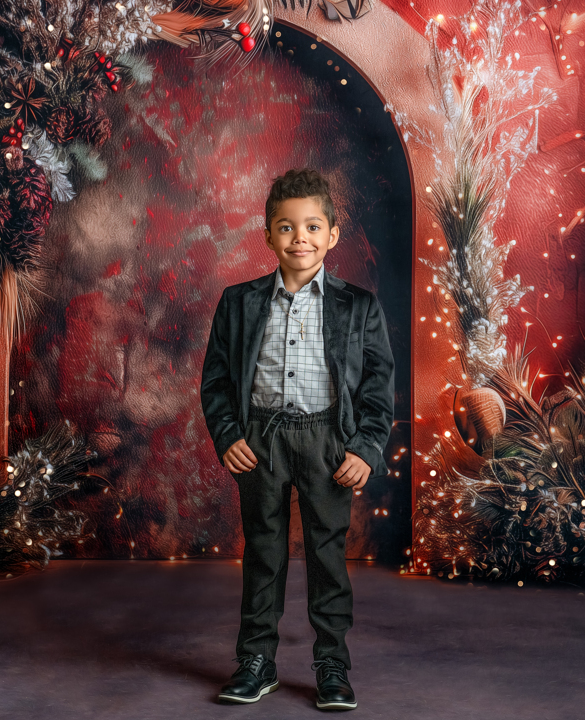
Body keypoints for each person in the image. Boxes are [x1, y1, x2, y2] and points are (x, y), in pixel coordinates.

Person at [200, 167, 394, 711]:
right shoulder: (238, 303)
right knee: (263, 553)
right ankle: (256, 661)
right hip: (260, 440)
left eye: (312, 227)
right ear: (267, 235)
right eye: (286, 228)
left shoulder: (359, 307)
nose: (299, 238)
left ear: (332, 234)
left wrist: (365, 447)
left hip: (328, 442)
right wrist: (228, 434)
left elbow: (378, 386)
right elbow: (215, 379)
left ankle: (332, 663)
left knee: (328, 555)